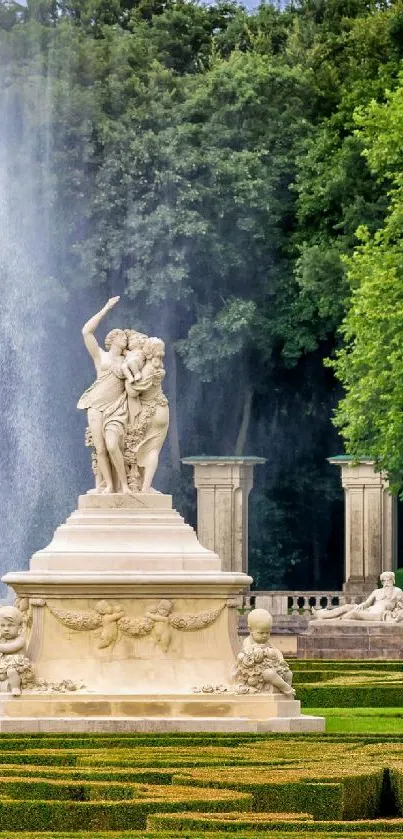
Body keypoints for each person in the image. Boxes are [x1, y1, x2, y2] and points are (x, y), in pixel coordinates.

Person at [77, 297, 132, 495]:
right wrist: (106, 308)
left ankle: (124, 485)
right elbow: (86, 331)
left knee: (112, 445)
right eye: (121, 336)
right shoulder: (101, 356)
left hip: (116, 408)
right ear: (112, 339)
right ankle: (109, 485)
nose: (124, 338)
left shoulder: (129, 359)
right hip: (95, 405)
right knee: (100, 449)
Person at [125, 337, 169, 492]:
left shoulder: (148, 370)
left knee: (148, 450)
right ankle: (145, 486)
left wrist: (127, 378)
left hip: (150, 412)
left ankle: (144, 488)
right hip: (161, 410)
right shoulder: (157, 368)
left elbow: (132, 391)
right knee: (150, 449)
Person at [235, 609, 295, 697]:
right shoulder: (247, 641)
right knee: (269, 674)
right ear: (250, 629)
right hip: (256, 671)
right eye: (261, 633)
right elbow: (247, 654)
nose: (265, 635)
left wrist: (281, 660)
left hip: (270, 667)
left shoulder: (266, 643)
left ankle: (286, 694)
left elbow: (276, 651)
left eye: (268, 632)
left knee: (288, 674)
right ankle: (286, 688)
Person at [312, 571, 403, 621]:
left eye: (389, 580)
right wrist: (361, 605)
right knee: (348, 607)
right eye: (384, 581)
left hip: (377, 614)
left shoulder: (397, 591)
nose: (387, 583)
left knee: (354, 613)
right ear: (382, 582)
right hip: (369, 610)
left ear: (393, 581)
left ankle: (332, 620)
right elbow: (367, 603)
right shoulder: (377, 591)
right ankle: (323, 615)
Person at [0, 606, 32, 696]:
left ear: (19, 627)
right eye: (2, 625)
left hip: (15, 665)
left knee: (12, 672)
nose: (6, 629)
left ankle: (15, 687)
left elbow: (11, 648)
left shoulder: (20, 640)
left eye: (10, 625)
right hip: (2, 665)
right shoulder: (2, 639)